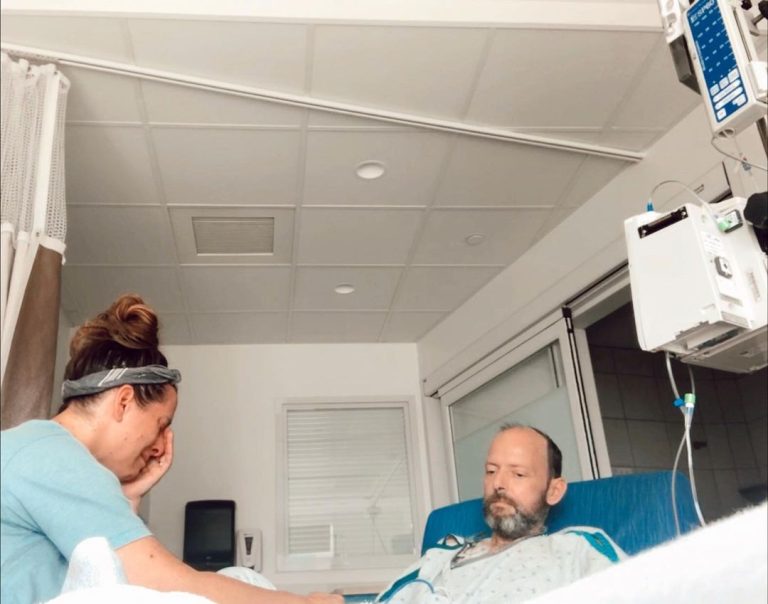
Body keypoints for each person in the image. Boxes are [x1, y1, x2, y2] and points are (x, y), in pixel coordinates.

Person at [0, 294, 342, 604]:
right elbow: (164, 583)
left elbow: (109, 579)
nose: (161, 444)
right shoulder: (53, 457)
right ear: (123, 402)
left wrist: (129, 497)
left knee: (237, 578)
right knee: (238, 580)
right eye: (161, 423)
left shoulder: (43, 451)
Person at [375, 424, 625, 603]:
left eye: (518, 474)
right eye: (491, 471)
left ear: (553, 490)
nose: (498, 483)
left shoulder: (576, 549)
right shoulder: (444, 552)